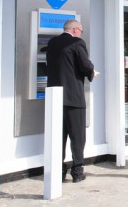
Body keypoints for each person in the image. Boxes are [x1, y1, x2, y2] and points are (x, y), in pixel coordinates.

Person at [46, 19, 97, 183]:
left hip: (55, 98)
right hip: (73, 97)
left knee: (58, 136)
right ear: (75, 30)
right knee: (77, 136)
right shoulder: (77, 43)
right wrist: (92, 72)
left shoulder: (52, 43)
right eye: (81, 30)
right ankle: (77, 172)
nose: (81, 33)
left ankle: (58, 171)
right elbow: (84, 65)